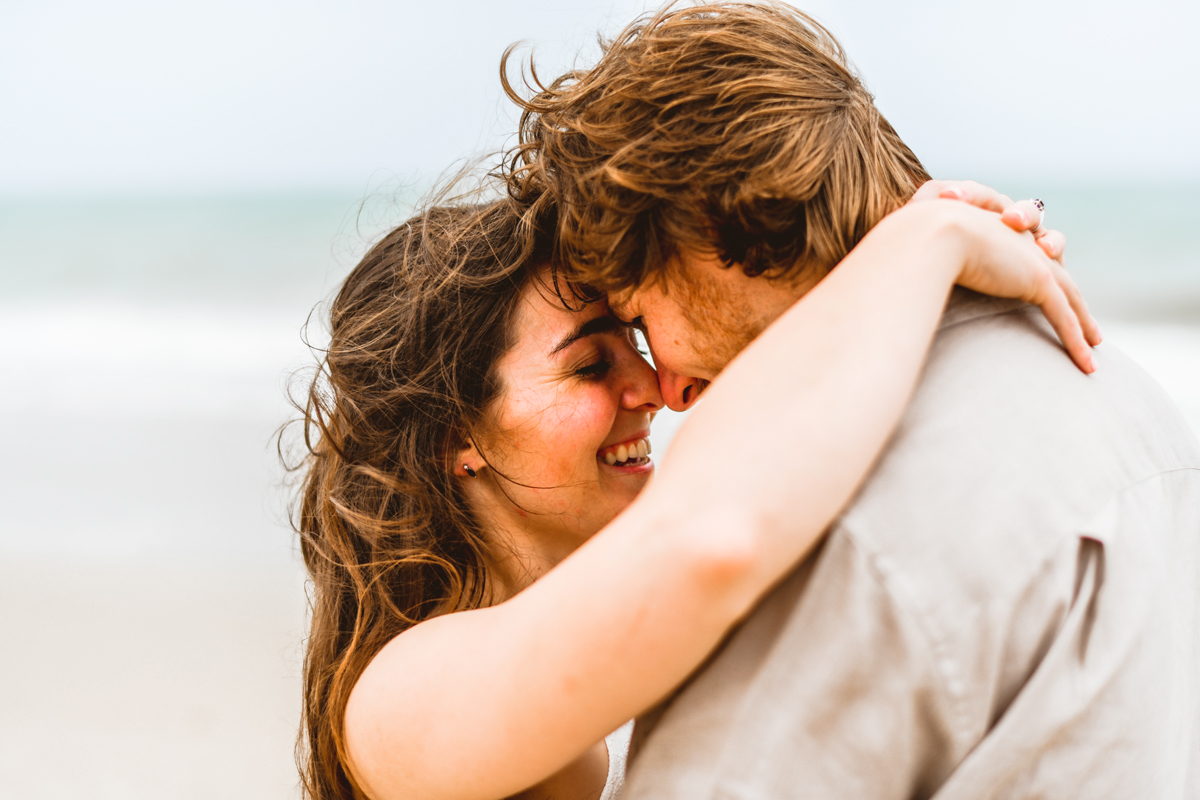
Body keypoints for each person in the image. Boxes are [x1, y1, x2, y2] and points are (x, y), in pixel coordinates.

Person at [505, 3, 1200, 798]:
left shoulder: (828, 518)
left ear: (707, 223)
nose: (670, 390)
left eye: (639, 316)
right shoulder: (1130, 402)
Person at [290, 177, 1094, 800]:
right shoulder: (395, 701)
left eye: (635, 341)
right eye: (590, 364)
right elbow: (715, 536)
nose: (650, 384)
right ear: (455, 438)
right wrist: (922, 244)